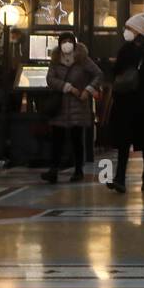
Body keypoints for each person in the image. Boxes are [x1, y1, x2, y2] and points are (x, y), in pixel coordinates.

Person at [109, 13, 144, 194]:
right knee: (124, 143)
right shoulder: (127, 49)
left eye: (130, 29)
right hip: (131, 102)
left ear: (138, 31)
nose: (126, 32)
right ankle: (120, 178)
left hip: (143, 103)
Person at [41, 32, 102, 183]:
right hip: (60, 105)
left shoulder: (82, 59)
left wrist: (88, 90)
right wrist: (67, 87)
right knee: (57, 140)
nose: (67, 44)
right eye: (64, 41)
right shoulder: (55, 60)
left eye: (69, 41)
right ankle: (53, 170)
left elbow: (98, 74)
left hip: (78, 105)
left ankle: (78, 170)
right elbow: (50, 79)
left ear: (74, 43)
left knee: (76, 140)